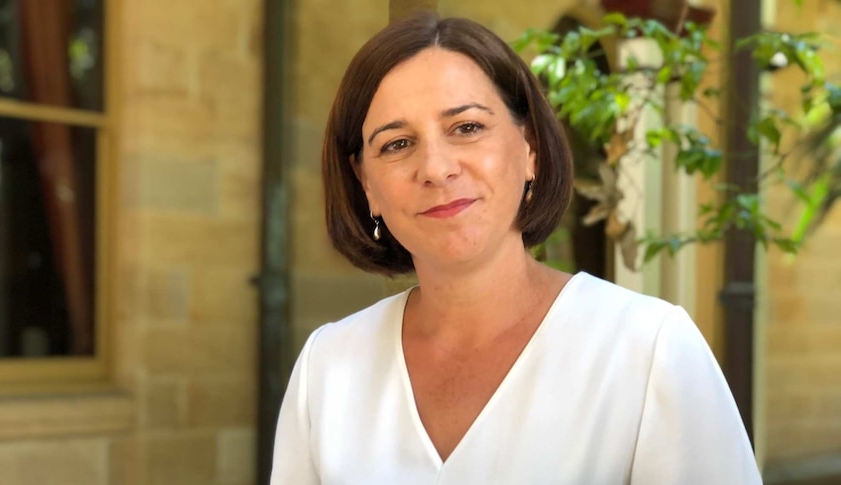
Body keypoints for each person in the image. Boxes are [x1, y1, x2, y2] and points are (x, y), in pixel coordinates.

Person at [271, 12, 761, 484]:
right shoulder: (328, 368)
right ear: (367, 185)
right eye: (397, 144)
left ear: (530, 150)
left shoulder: (649, 349)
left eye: (466, 128)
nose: (436, 169)